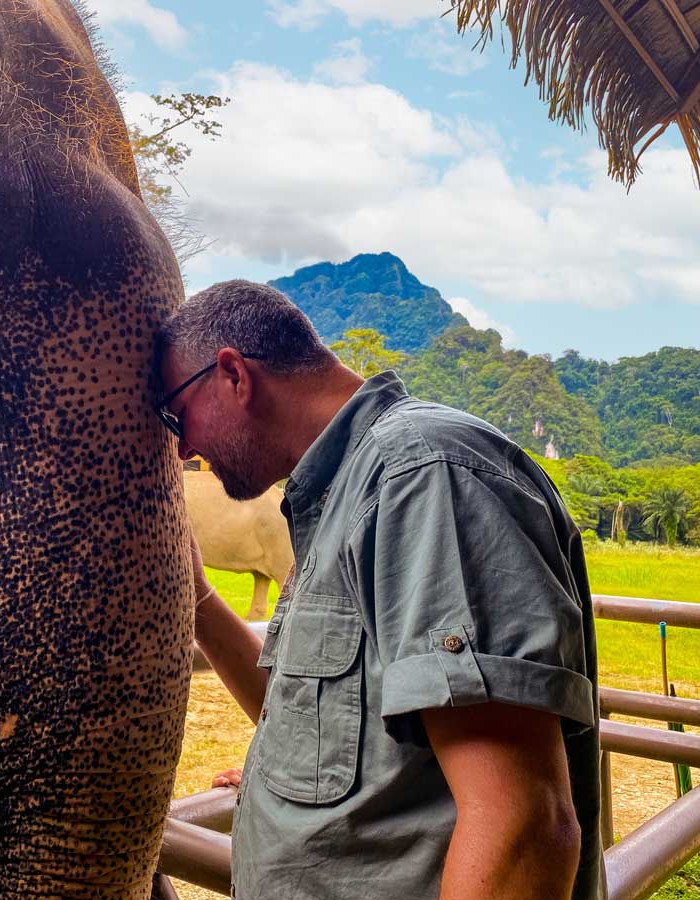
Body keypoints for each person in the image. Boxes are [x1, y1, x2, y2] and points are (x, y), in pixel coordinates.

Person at [154, 280, 604, 900]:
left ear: (234, 375)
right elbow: (324, 735)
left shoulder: (424, 476)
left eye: (177, 415)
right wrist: (197, 600)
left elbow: (523, 824)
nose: (182, 445)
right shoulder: (342, 494)